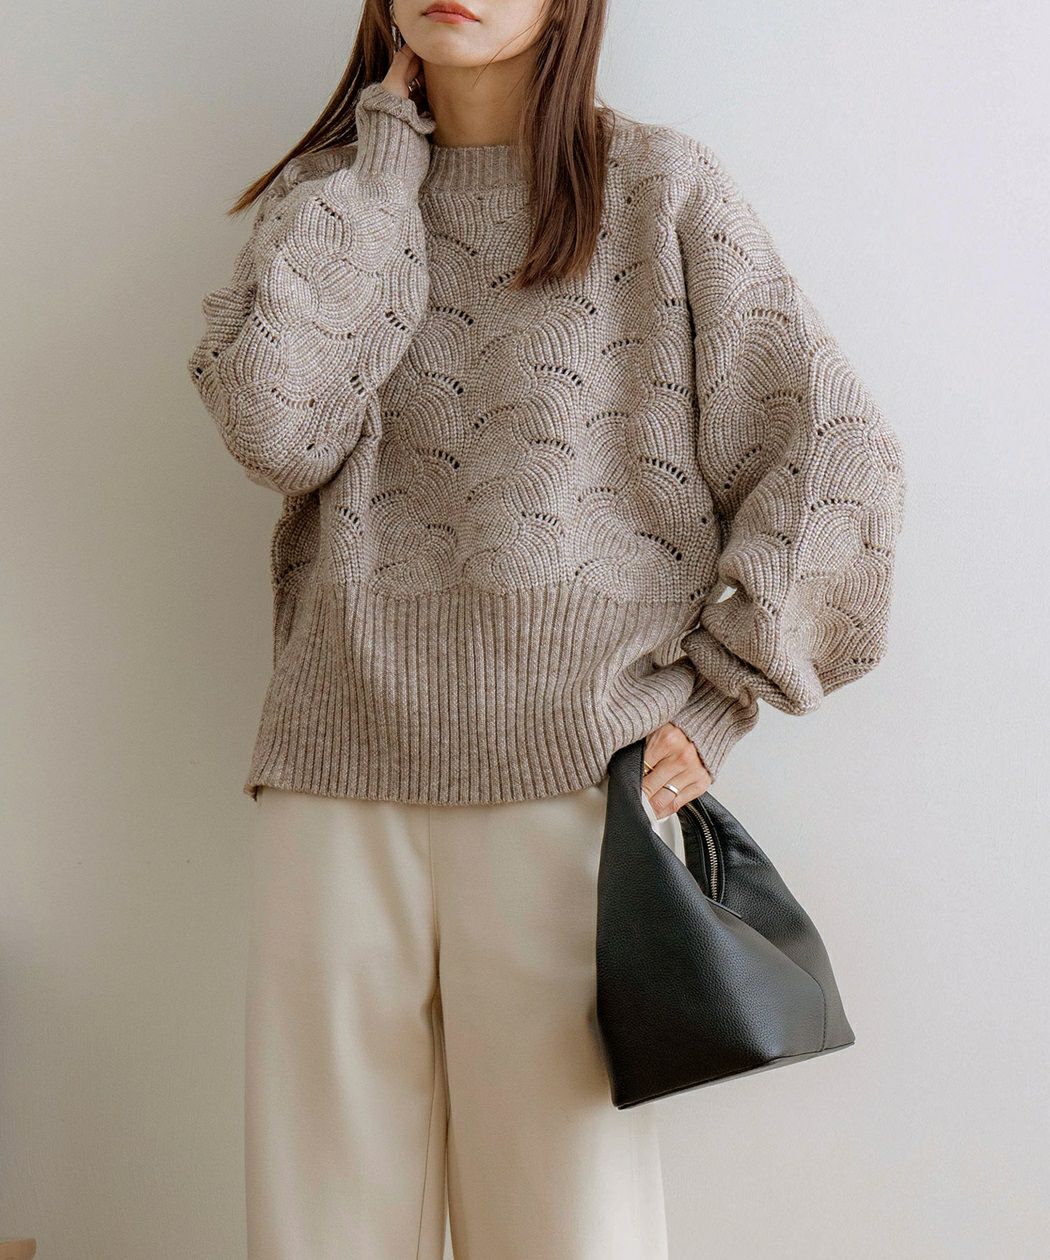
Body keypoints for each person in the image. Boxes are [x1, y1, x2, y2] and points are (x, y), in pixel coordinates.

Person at [186, 0, 907, 1255]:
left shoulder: (661, 189)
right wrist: (384, 166)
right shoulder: (330, 200)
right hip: (334, 774)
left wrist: (719, 699)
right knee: (318, 1225)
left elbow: (839, 453)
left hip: (573, 786)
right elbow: (273, 428)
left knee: (569, 1225)